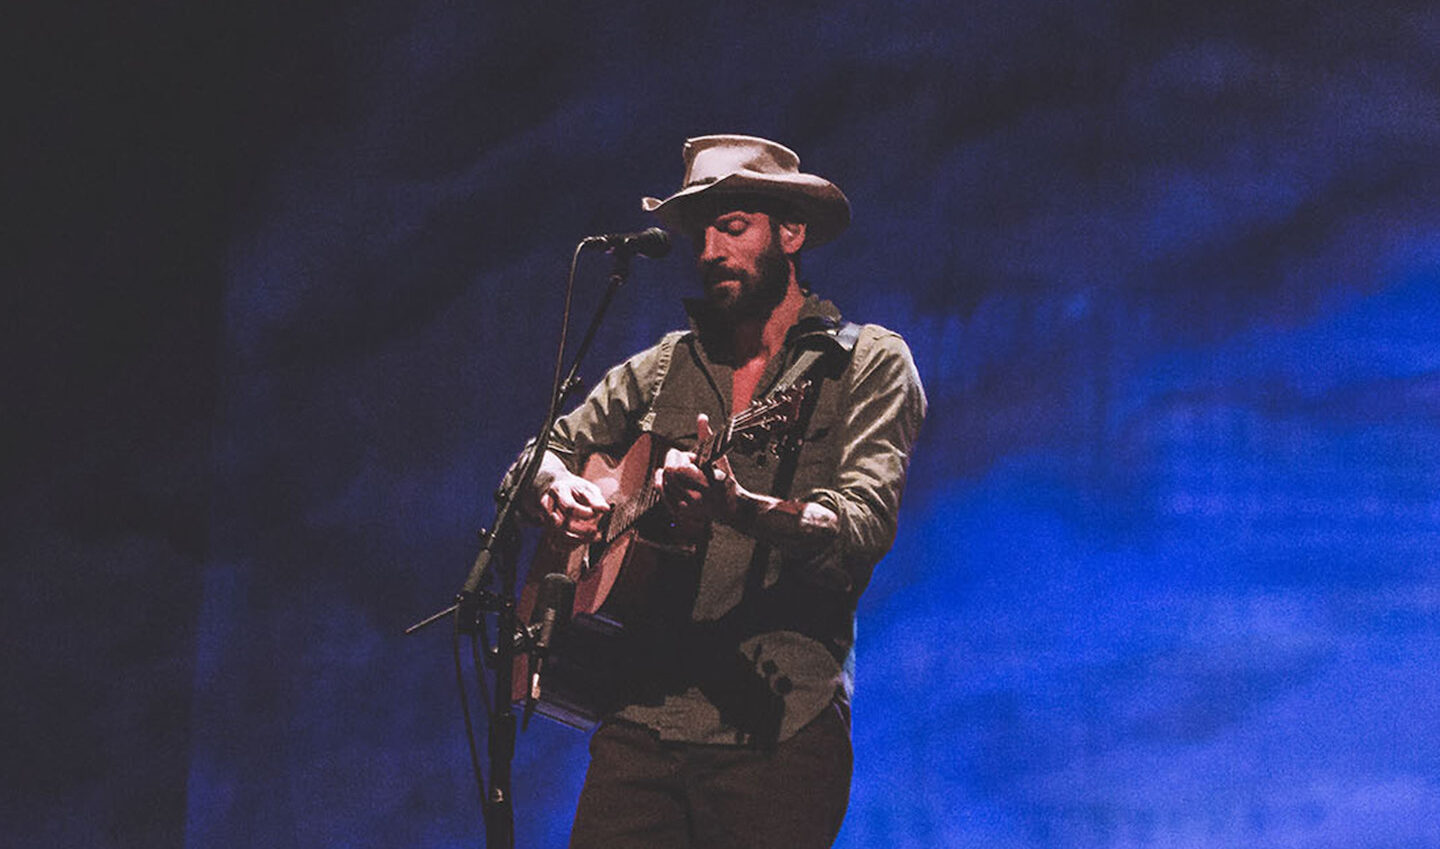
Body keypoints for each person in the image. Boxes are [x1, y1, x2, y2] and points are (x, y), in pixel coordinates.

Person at [516, 134, 926, 848]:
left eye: (732, 226)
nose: (709, 250)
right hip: (638, 720)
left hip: (777, 730)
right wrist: (552, 484)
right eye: (700, 231)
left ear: (790, 233)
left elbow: (860, 528)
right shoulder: (662, 365)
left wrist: (739, 508)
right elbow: (533, 459)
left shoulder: (864, 361)